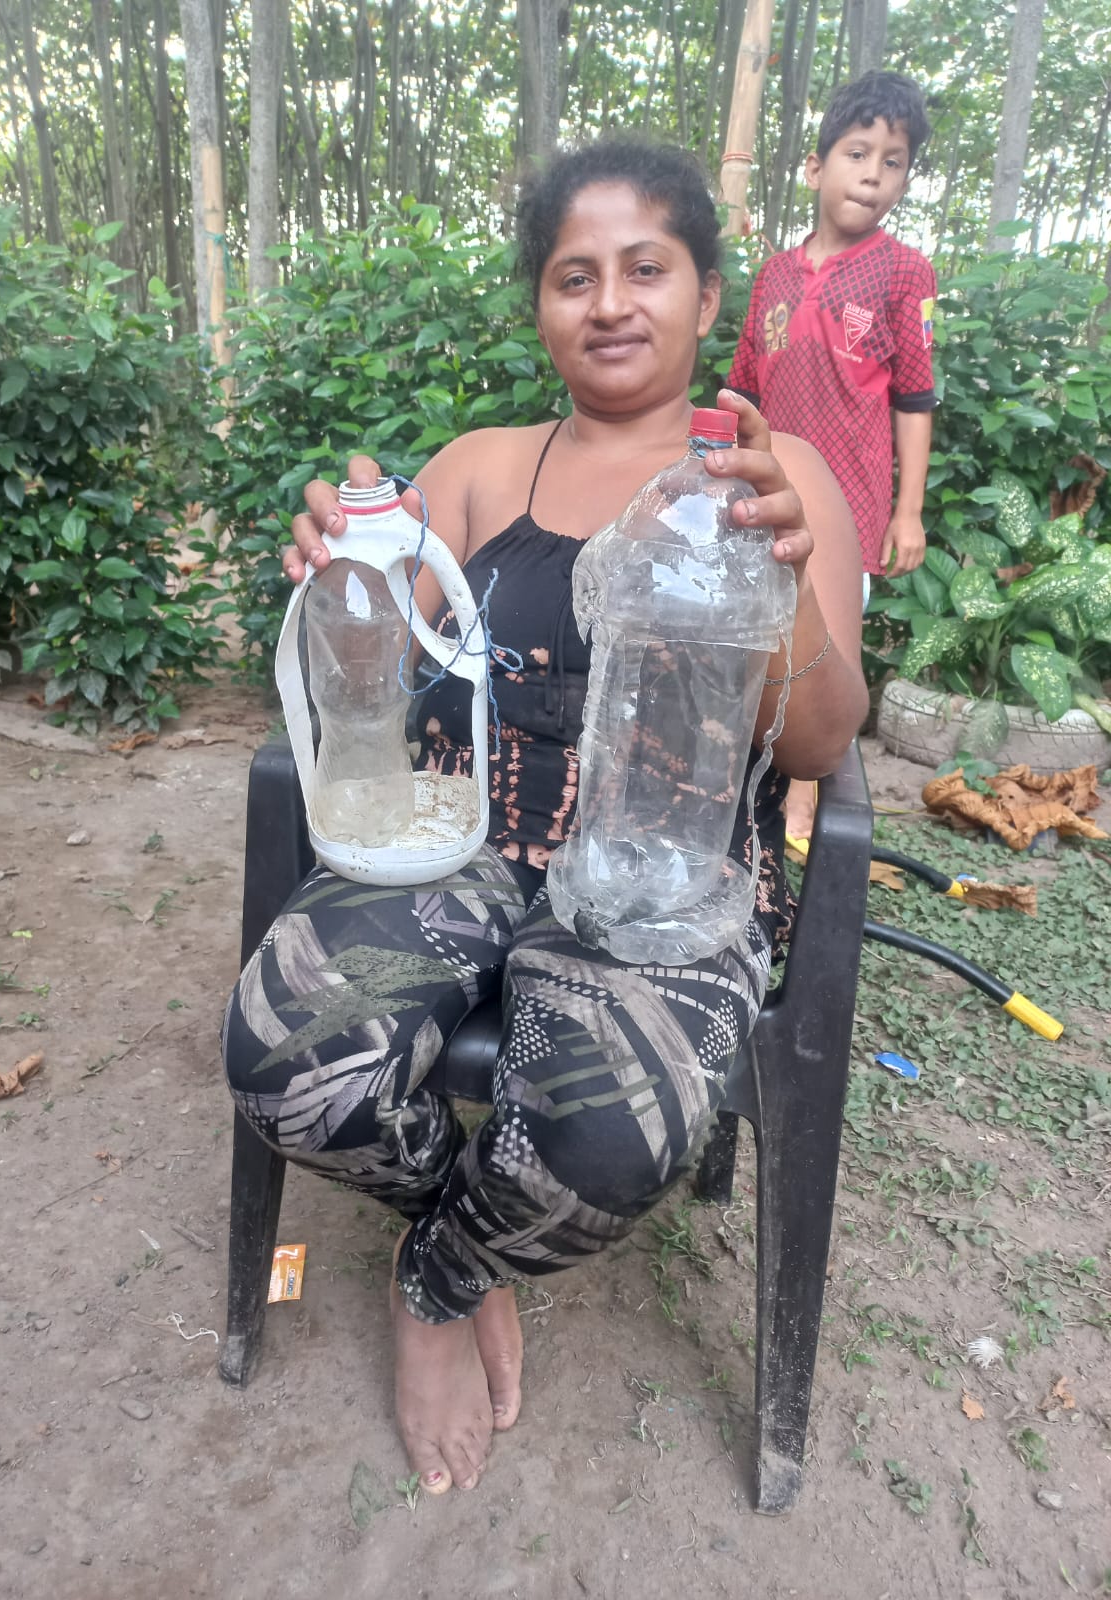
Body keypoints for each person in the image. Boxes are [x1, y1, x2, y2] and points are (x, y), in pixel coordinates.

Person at [222, 138, 868, 1498]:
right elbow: (371, 682)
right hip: (457, 845)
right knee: (284, 1060)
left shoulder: (778, 475)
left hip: (664, 880)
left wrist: (780, 575)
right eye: (575, 276)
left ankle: (440, 1279)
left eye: (647, 269)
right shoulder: (480, 469)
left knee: (604, 1140)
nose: (610, 302)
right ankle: (464, 1236)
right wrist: (345, 574)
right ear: (540, 307)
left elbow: (819, 743)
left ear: (706, 297)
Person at [728, 69, 936, 845]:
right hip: (768, 494)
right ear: (816, 168)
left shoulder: (905, 272)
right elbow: (742, 391)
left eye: (893, 162)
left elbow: (915, 399)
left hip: (848, 505)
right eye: (858, 154)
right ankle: (749, 769)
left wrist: (908, 511)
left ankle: (807, 800)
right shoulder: (774, 277)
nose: (873, 175)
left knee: (829, 646)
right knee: (755, 629)